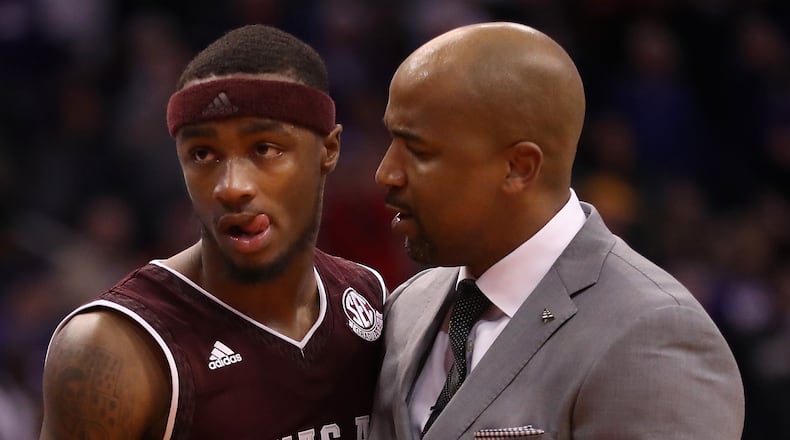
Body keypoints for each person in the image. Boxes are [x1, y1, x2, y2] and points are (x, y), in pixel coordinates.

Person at [369, 22, 744, 440]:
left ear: (518, 168)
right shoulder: (407, 305)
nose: (386, 173)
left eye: (418, 150)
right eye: (390, 141)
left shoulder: (652, 335)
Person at [39, 24, 387, 440]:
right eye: (202, 154)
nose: (231, 186)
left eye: (265, 148)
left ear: (328, 150)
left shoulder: (369, 298)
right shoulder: (113, 347)